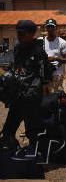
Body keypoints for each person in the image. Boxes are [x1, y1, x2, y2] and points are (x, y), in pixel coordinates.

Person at [0, 20, 48, 152]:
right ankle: (8, 154)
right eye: (18, 34)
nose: (19, 37)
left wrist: (43, 94)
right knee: (9, 128)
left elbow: (44, 76)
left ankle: (35, 158)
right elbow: (16, 69)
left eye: (22, 34)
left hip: (31, 97)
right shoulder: (18, 49)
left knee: (32, 129)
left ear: (31, 34)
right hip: (18, 95)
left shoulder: (38, 51)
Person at [41, 18, 66, 94]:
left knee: (56, 97)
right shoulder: (40, 41)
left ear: (56, 27)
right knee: (44, 97)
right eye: (48, 26)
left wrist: (55, 58)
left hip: (57, 74)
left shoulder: (62, 42)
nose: (50, 28)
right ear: (45, 28)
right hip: (43, 74)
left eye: (52, 26)